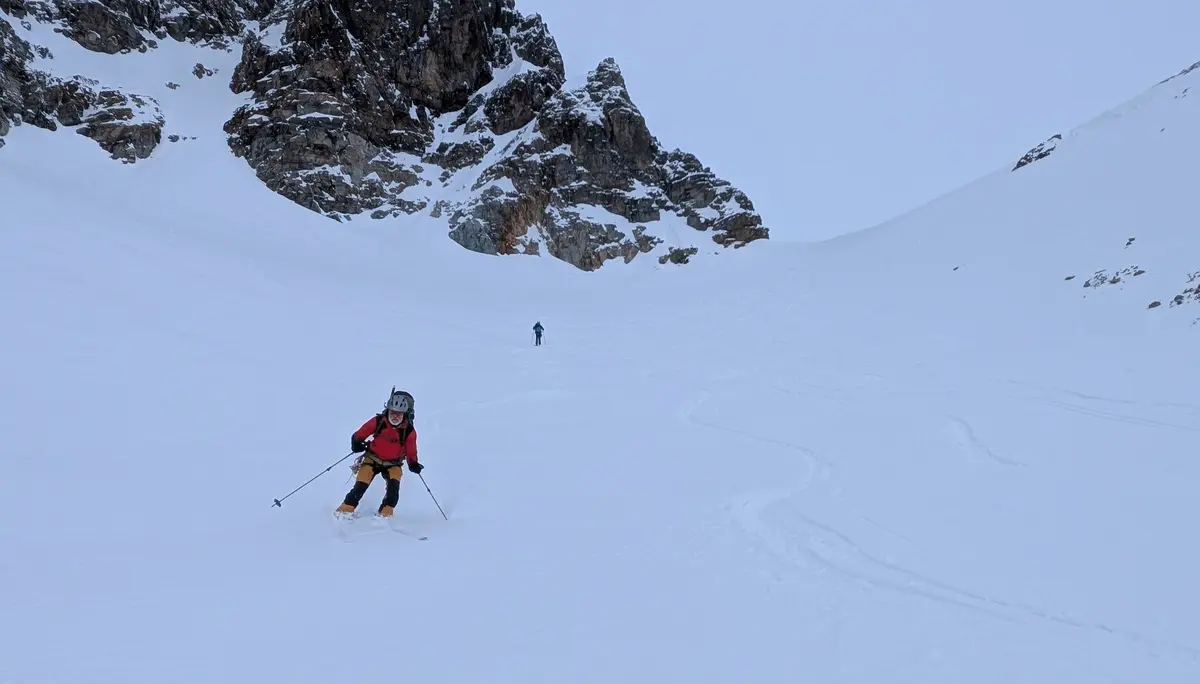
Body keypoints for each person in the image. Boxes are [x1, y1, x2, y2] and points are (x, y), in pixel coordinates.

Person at [335, 390, 423, 518]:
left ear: (405, 414)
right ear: (387, 410)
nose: (395, 417)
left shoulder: (409, 431)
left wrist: (413, 463)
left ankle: (385, 514)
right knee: (360, 486)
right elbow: (360, 433)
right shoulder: (378, 421)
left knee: (393, 492)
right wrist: (356, 442)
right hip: (372, 459)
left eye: (399, 414)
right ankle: (346, 509)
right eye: (392, 412)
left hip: (393, 464)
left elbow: (411, 450)